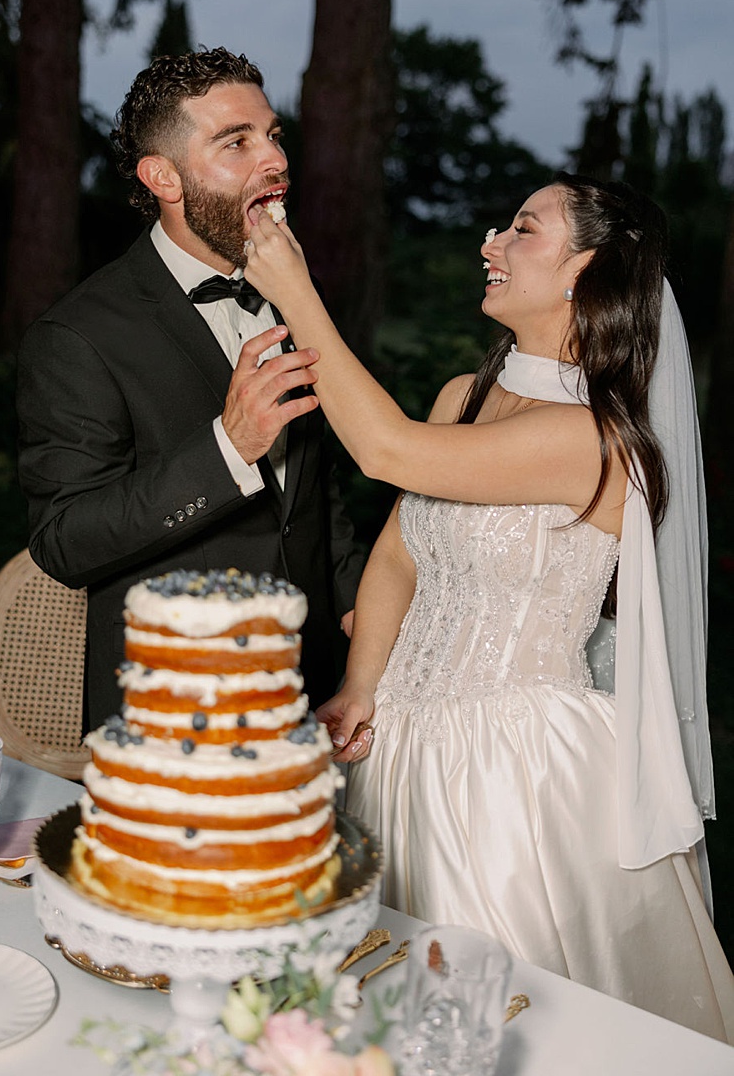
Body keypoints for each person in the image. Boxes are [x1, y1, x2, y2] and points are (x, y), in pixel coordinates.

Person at [242, 178, 734, 1041]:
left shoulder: (598, 439)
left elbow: (386, 449)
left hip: (516, 781)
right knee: (381, 1016)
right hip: (398, 756)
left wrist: (295, 292)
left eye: (523, 228)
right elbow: (399, 552)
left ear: (585, 269)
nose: (490, 241)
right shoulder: (463, 396)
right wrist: (361, 687)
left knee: (499, 1021)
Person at [16, 47, 365, 729]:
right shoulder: (78, 335)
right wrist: (227, 448)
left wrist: (358, 607)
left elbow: (315, 489)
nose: (275, 160)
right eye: (237, 143)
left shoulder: (291, 284)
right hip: (177, 710)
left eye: (272, 135)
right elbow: (64, 540)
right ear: (164, 178)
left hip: (316, 685)